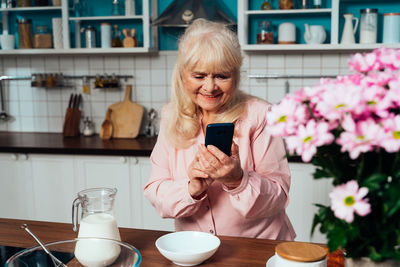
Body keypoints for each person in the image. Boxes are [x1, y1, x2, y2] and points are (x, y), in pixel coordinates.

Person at [143, 19, 295, 240]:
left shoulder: (260, 115)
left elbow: (279, 195)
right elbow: (155, 191)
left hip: (257, 249)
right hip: (194, 249)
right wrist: (192, 187)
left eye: (221, 76)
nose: (210, 86)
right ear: (183, 74)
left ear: (236, 76)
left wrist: (238, 180)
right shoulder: (170, 117)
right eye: (199, 76)